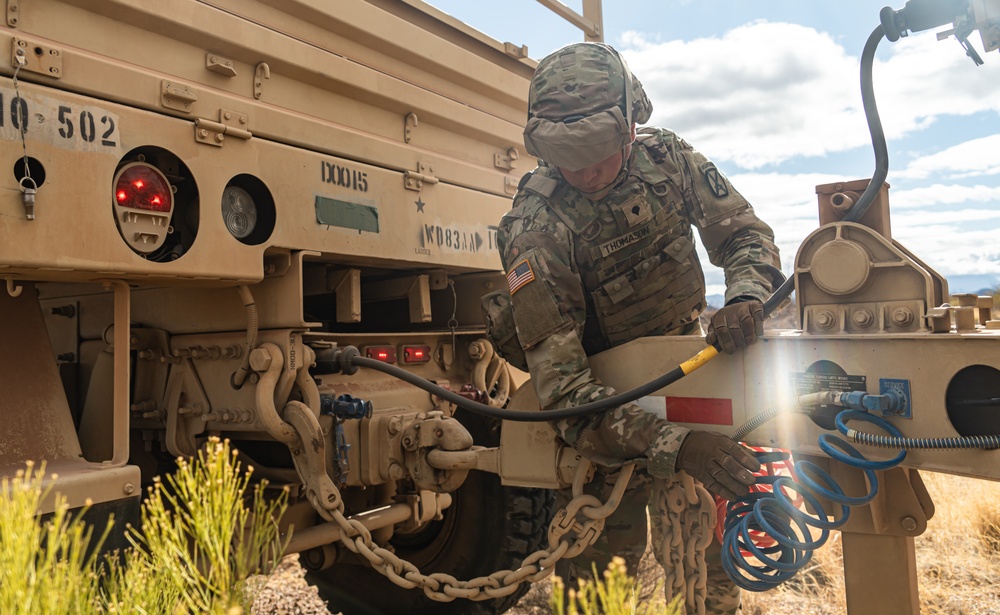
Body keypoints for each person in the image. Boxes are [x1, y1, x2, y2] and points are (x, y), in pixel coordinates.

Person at [492, 42, 784, 613]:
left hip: (696, 380)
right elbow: (566, 396)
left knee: (713, 581)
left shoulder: (667, 161)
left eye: (597, 152)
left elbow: (745, 235)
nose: (585, 172)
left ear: (631, 123)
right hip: (603, 415)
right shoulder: (535, 228)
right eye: (565, 157)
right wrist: (679, 447)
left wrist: (746, 297)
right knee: (601, 591)